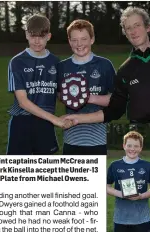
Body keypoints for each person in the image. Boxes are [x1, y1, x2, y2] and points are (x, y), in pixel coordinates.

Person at [63, 6, 150, 125]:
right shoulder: (125, 70)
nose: (133, 31)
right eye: (128, 28)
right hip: (138, 135)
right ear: (125, 33)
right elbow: (113, 111)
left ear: (148, 27)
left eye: (137, 25)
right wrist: (77, 118)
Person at [7, 14, 71, 155]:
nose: (37, 41)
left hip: (45, 125)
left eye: (41, 36)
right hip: (22, 123)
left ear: (49, 36)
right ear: (26, 35)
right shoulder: (17, 61)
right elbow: (23, 102)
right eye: (33, 36)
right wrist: (55, 119)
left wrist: (77, 96)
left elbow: (61, 94)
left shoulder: (56, 62)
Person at [58, 19, 115, 155]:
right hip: (71, 139)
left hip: (97, 140)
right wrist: (67, 96)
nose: (79, 44)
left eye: (84, 39)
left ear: (92, 39)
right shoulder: (62, 67)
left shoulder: (104, 65)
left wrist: (87, 97)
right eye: (75, 40)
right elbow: (59, 96)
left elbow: (116, 99)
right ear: (69, 41)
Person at [107, 131, 150, 232]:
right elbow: (106, 187)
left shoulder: (148, 166)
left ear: (141, 148)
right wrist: (122, 194)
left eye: (136, 146)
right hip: (121, 219)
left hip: (142, 219)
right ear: (124, 146)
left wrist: (141, 196)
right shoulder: (114, 165)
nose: (132, 149)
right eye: (129, 145)